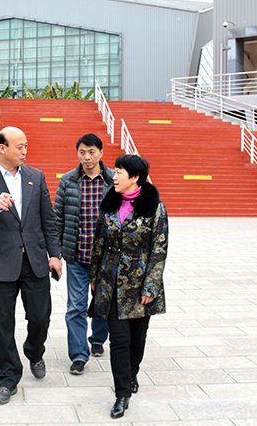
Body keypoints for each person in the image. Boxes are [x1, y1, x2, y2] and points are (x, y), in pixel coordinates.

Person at [0, 126, 62, 404]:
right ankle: (8, 378)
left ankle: (34, 350)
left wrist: (55, 254)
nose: (24, 151)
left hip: (35, 260)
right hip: (1, 262)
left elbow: (48, 218)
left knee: (41, 316)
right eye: (19, 146)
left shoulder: (36, 176)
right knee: (3, 324)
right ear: (2, 148)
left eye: (26, 145)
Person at [89, 154, 168, 419]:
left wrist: (151, 287)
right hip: (111, 283)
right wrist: (94, 277)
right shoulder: (109, 203)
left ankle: (132, 373)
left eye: (120, 172)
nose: (114, 176)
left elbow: (159, 250)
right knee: (119, 340)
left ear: (134, 177)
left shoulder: (154, 208)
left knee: (137, 339)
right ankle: (122, 393)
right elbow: (99, 242)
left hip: (140, 285)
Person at [54, 133, 113, 376]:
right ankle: (78, 355)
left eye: (91, 152)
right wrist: (55, 253)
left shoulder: (113, 181)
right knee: (75, 307)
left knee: (103, 304)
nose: (87, 157)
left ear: (101, 153)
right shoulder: (67, 181)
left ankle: (97, 338)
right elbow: (57, 218)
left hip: (106, 259)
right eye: (82, 152)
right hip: (77, 257)